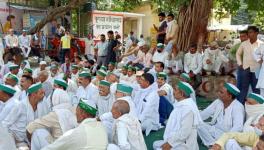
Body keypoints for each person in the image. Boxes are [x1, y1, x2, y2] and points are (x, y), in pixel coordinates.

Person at [41, 99, 108, 150]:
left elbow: (51, 148)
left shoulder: (77, 132)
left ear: (83, 114)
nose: (75, 114)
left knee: (40, 134)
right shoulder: (102, 128)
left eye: (77, 111)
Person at [153, 81, 201, 150]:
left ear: (181, 94)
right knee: (155, 144)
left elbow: (184, 133)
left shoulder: (188, 109)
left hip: (184, 144)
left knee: (159, 148)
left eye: (175, 90)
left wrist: (170, 144)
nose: (173, 92)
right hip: (175, 140)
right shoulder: (180, 104)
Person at [2, 83, 46, 147]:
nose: (44, 95)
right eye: (41, 93)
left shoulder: (41, 105)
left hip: (31, 141)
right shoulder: (21, 105)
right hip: (16, 140)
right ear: (34, 94)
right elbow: (6, 123)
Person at [236, 26, 263, 104]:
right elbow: (238, 54)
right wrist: (240, 63)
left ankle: (257, 107)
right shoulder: (244, 43)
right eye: (248, 32)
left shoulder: (261, 44)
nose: (249, 34)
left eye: (251, 32)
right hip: (245, 68)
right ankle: (239, 106)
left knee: (256, 89)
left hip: (257, 69)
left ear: (256, 33)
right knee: (243, 88)